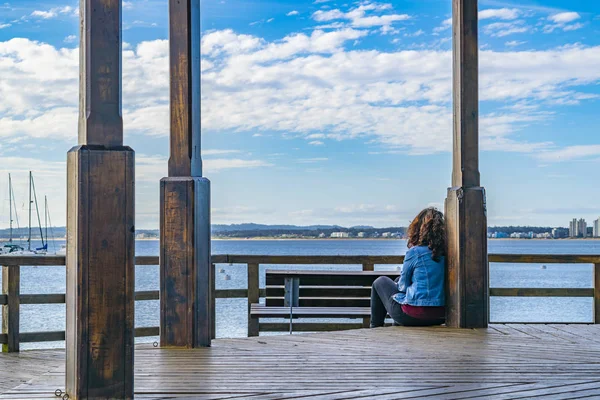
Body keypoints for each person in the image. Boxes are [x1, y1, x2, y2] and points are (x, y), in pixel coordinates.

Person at [370, 207, 446, 327]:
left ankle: (375, 327)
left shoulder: (415, 252)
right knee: (396, 282)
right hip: (441, 316)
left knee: (380, 281)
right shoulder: (448, 253)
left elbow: (402, 286)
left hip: (413, 316)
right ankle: (395, 327)